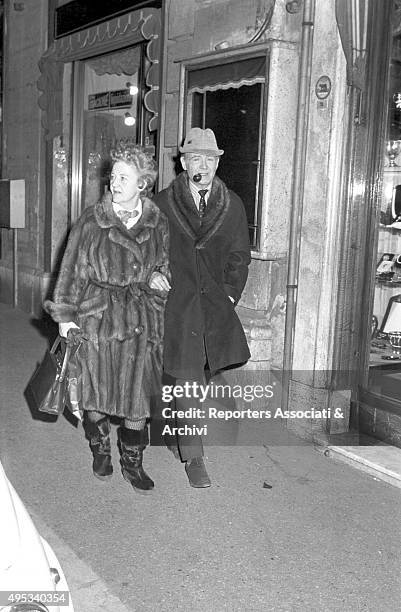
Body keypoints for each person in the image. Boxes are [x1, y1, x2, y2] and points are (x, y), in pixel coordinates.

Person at [44, 143, 170, 493]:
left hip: (141, 321)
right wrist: (65, 318)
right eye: (113, 175)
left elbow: (161, 264)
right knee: (95, 394)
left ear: (142, 183)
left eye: (124, 177)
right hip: (98, 317)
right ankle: (100, 449)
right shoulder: (91, 220)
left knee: (138, 398)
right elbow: (69, 272)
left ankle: (133, 462)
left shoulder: (157, 222)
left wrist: (157, 279)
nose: (115, 182)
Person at [154, 127, 251, 488]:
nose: (204, 165)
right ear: (183, 162)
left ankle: (174, 429)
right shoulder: (163, 203)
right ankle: (194, 457)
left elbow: (240, 257)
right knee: (186, 379)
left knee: (197, 375)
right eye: (196, 158)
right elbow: (148, 248)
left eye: (210, 159)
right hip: (177, 307)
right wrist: (153, 273)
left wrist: (228, 294)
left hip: (214, 308)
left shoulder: (233, 205)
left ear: (216, 163)